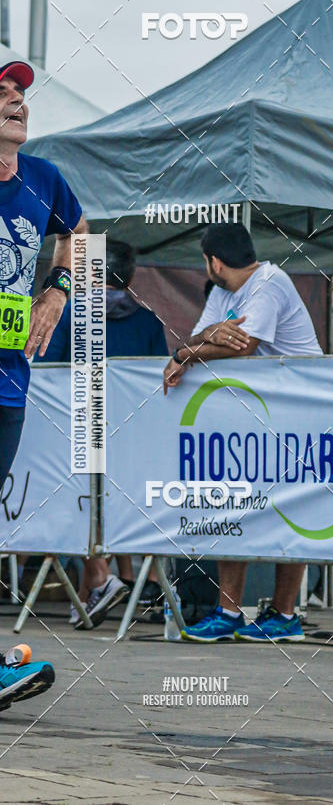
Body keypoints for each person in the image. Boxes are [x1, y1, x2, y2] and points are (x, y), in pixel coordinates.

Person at [163, 222, 322, 642]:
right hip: (256, 413)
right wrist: (201, 340)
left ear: (214, 261)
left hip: (303, 410)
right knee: (233, 500)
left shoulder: (271, 281)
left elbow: (243, 345)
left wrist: (184, 352)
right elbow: (205, 336)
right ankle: (229, 612)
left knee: (293, 509)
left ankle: (284, 615)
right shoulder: (222, 293)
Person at [0, 60, 87, 708]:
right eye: (2, 94)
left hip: (9, 378)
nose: (17, 102)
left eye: (21, 94)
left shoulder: (44, 179)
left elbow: (82, 236)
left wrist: (57, 291)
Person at [36, 238, 168, 627]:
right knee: (116, 507)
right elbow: (159, 379)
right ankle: (103, 589)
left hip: (75, 433)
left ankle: (98, 581)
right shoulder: (147, 320)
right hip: (131, 441)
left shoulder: (70, 312)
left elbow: (47, 369)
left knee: (73, 504)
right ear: (130, 277)